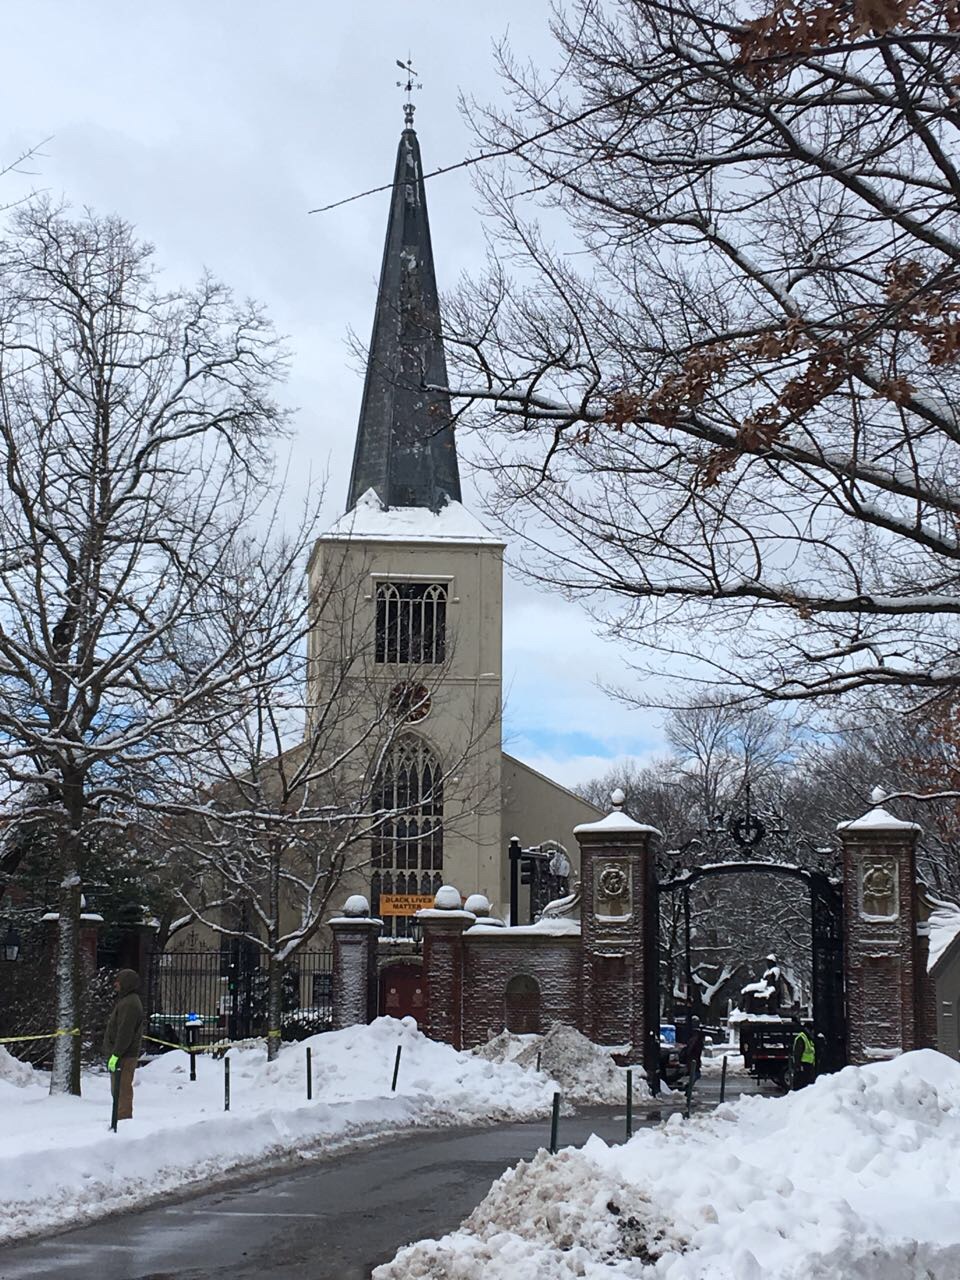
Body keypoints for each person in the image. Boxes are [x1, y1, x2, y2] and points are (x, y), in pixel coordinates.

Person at [102, 968, 144, 1120]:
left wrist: (116, 1053)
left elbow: (125, 1032)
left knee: (122, 1087)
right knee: (118, 1088)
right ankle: (119, 1116)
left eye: (118, 981)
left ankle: (123, 1118)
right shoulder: (127, 1002)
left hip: (125, 1055)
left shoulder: (129, 1004)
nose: (115, 985)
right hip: (123, 1053)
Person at [679, 1015, 705, 1082]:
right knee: (695, 1073)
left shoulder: (693, 1034)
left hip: (693, 1057)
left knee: (695, 1073)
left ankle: (689, 1086)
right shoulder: (695, 1035)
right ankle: (688, 1088)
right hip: (693, 1058)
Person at [791, 1024, 816, 1090]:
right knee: (801, 1085)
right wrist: (798, 1066)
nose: (812, 1032)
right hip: (803, 1065)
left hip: (808, 1065)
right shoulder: (802, 1038)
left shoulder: (808, 1038)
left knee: (807, 1085)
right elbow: (797, 1053)